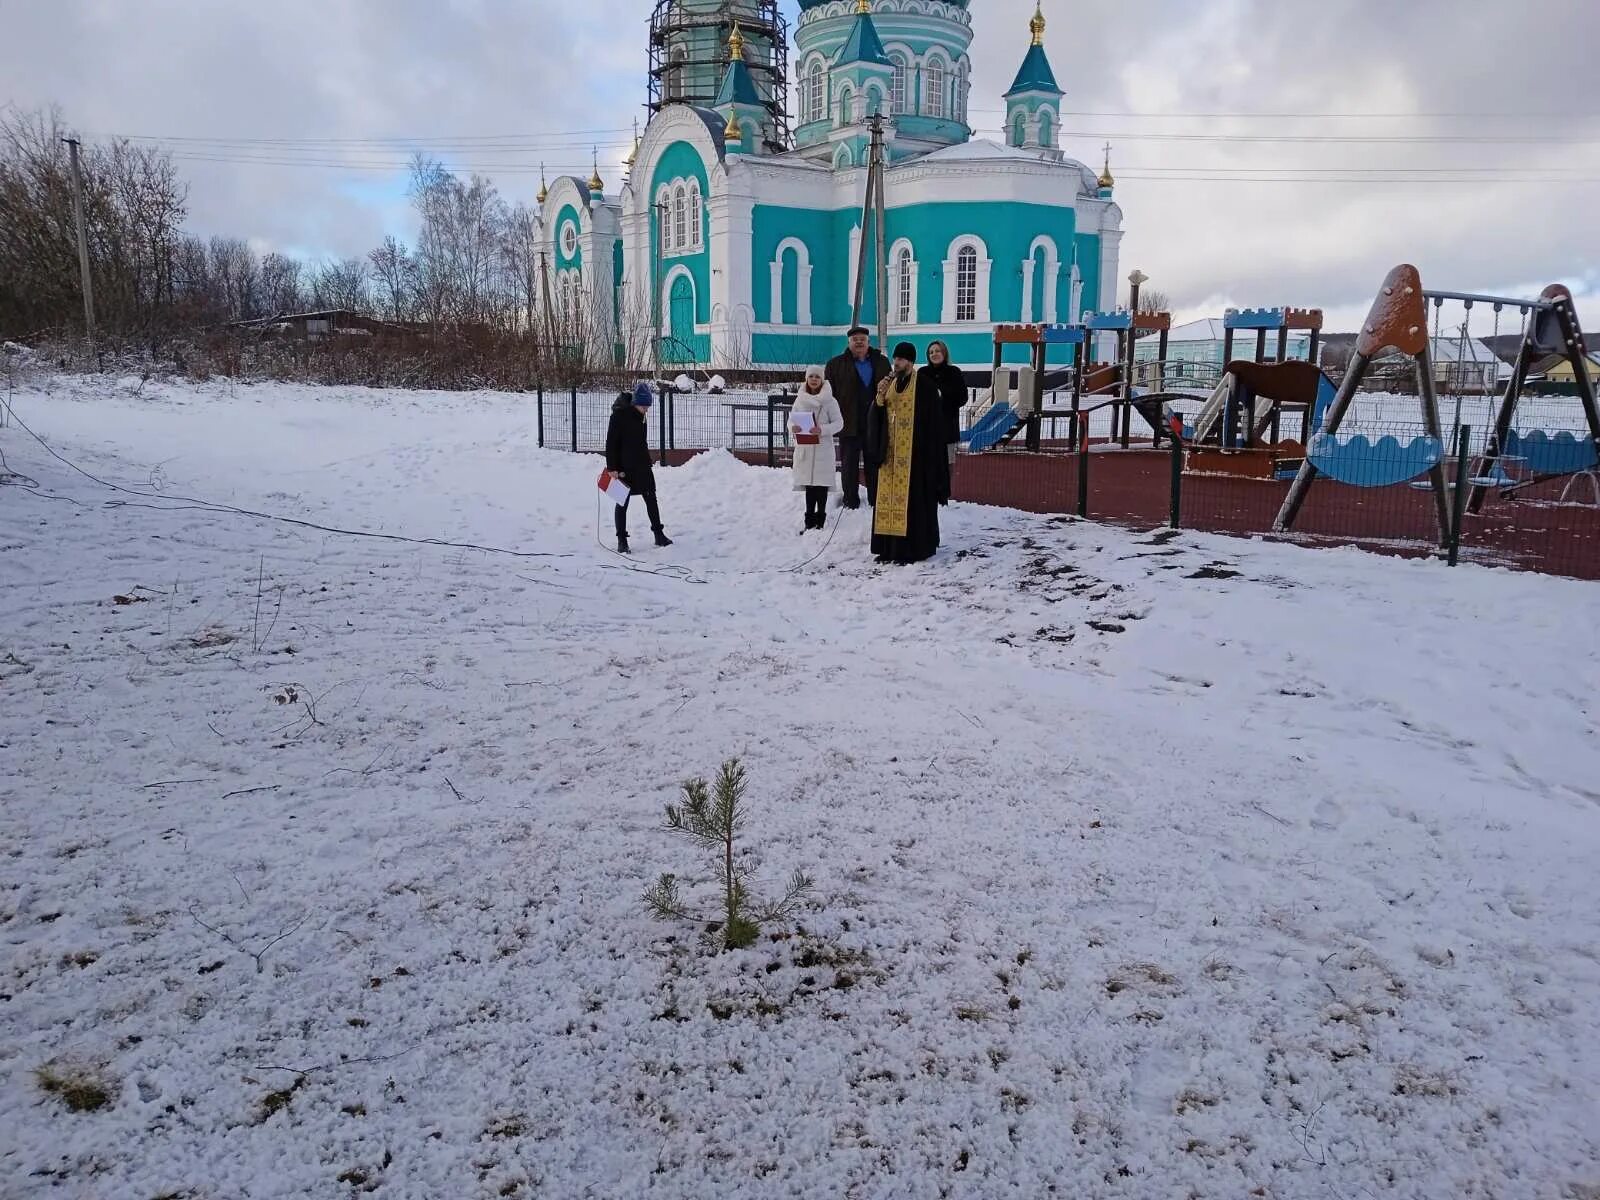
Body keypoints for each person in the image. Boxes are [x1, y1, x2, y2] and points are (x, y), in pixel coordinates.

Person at [868, 342, 950, 564]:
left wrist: (926, 454)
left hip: (916, 457)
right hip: (890, 456)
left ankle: (912, 550)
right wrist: (879, 396)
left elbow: (934, 426)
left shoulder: (924, 386)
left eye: (901, 359)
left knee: (913, 504)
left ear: (911, 362)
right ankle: (888, 549)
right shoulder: (889, 384)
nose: (896, 363)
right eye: (895, 358)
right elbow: (877, 413)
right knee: (888, 501)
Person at [824, 326, 890, 509]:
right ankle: (850, 501)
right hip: (848, 423)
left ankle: (876, 501)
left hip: (874, 423)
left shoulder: (882, 362)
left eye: (863, 339)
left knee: (874, 464)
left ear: (869, 342)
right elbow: (829, 396)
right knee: (849, 465)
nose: (859, 342)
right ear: (849, 343)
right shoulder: (835, 364)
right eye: (855, 339)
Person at [605, 381, 672, 553]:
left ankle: (659, 534)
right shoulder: (618, 417)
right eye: (644, 406)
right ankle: (622, 540)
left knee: (651, 498)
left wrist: (647, 460)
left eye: (648, 406)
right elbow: (611, 443)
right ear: (635, 403)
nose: (646, 409)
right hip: (622, 468)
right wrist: (611, 467)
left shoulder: (642, 416)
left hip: (641, 465)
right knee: (622, 502)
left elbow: (641, 441)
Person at [789, 364, 845, 533]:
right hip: (805, 448)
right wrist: (793, 427)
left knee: (821, 486)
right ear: (806, 379)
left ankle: (821, 518)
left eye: (817, 377)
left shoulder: (830, 401)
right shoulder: (800, 399)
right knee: (809, 486)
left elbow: (839, 423)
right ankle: (809, 520)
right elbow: (791, 420)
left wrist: (823, 429)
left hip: (822, 449)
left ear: (822, 380)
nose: (814, 379)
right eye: (811, 376)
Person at [919, 339, 966, 504]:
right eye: (931, 352)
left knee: (948, 462)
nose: (934, 354)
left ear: (944, 353)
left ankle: (945, 493)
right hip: (927, 428)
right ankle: (928, 491)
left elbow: (962, 398)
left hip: (947, 425)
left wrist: (942, 395)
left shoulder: (954, 372)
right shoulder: (923, 373)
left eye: (937, 351)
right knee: (928, 462)